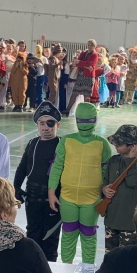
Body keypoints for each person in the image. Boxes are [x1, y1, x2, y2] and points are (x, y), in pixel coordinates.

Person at [48, 102, 111, 264]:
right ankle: (66, 269)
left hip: (92, 199)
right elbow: (56, 166)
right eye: (81, 120)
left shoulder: (103, 143)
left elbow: (106, 172)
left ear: (95, 120)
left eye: (88, 121)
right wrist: (51, 192)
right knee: (68, 233)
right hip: (67, 197)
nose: (84, 125)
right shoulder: (66, 140)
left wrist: (104, 193)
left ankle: (87, 271)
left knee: (88, 234)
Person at [13, 102, 62, 261]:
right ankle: (33, 266)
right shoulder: (32, 143)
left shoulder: (62, 145)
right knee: (33, 235)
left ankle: (50, 269)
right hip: (32, 198)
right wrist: (16, 187)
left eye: (50, 123)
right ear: (37, 125)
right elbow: (22, 167)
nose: (46, 127)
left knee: (50, 237)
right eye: (42, 123)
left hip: (53, 200)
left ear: (58, 125)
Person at [102, 124, 137, 251]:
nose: (115, 145)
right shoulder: (113, 161)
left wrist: (132, 159)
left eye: (119, 143)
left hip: (129, 223)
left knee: (128, 257)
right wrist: (104, 189)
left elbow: (132, 181)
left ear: (132, 146)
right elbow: (105, 181)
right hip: (111, 219)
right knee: (110, 255)